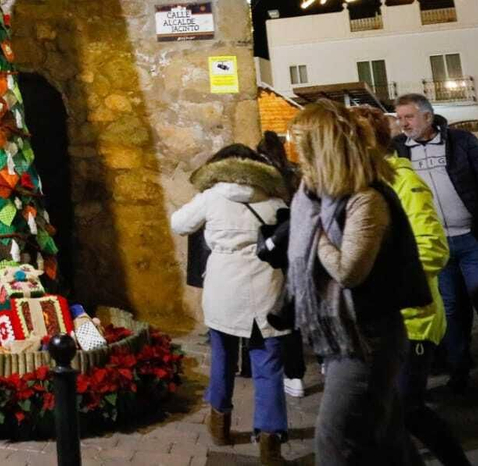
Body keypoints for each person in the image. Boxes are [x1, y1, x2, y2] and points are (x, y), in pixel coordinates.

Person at [288, 100, 430, 464]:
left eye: (301, 143)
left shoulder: (366, 199)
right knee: (387, 439)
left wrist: (313, 235)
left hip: (368, 338)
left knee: (334, 444)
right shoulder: (322, 198)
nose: (295, 151)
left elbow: (350, 271)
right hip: (345, 333)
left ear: (321, 149)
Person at [354, 107, 471, 466]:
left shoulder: (406, 183)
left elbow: (433, 251)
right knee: (387, 415)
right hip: (380, 322)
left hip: (413, 321)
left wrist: (380, 286)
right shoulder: (360, 187)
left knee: (407, 408)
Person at [392, 93, 478, 396]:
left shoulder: (462, 141)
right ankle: (459, 373)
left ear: (427, 116)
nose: (403, 123)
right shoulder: (398, 150)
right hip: (436, 247)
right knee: (451, 314)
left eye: (408, 117)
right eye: (400, 118)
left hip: (473, 241)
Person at [170, 144, 291, 465]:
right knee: (268, 365)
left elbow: (178, 224)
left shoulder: (212, 197)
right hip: (266, 286)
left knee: (222, 356)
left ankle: (220, 426)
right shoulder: (275, 199)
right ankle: (270, 441)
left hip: (224, 287)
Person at [252, 130, 307, 399]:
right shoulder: (294, 173)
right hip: (295, 245)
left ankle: (286, 372)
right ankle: (304, 371)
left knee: (277, 312)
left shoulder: (263, 181)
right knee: (294, 310)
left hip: (273, 246)